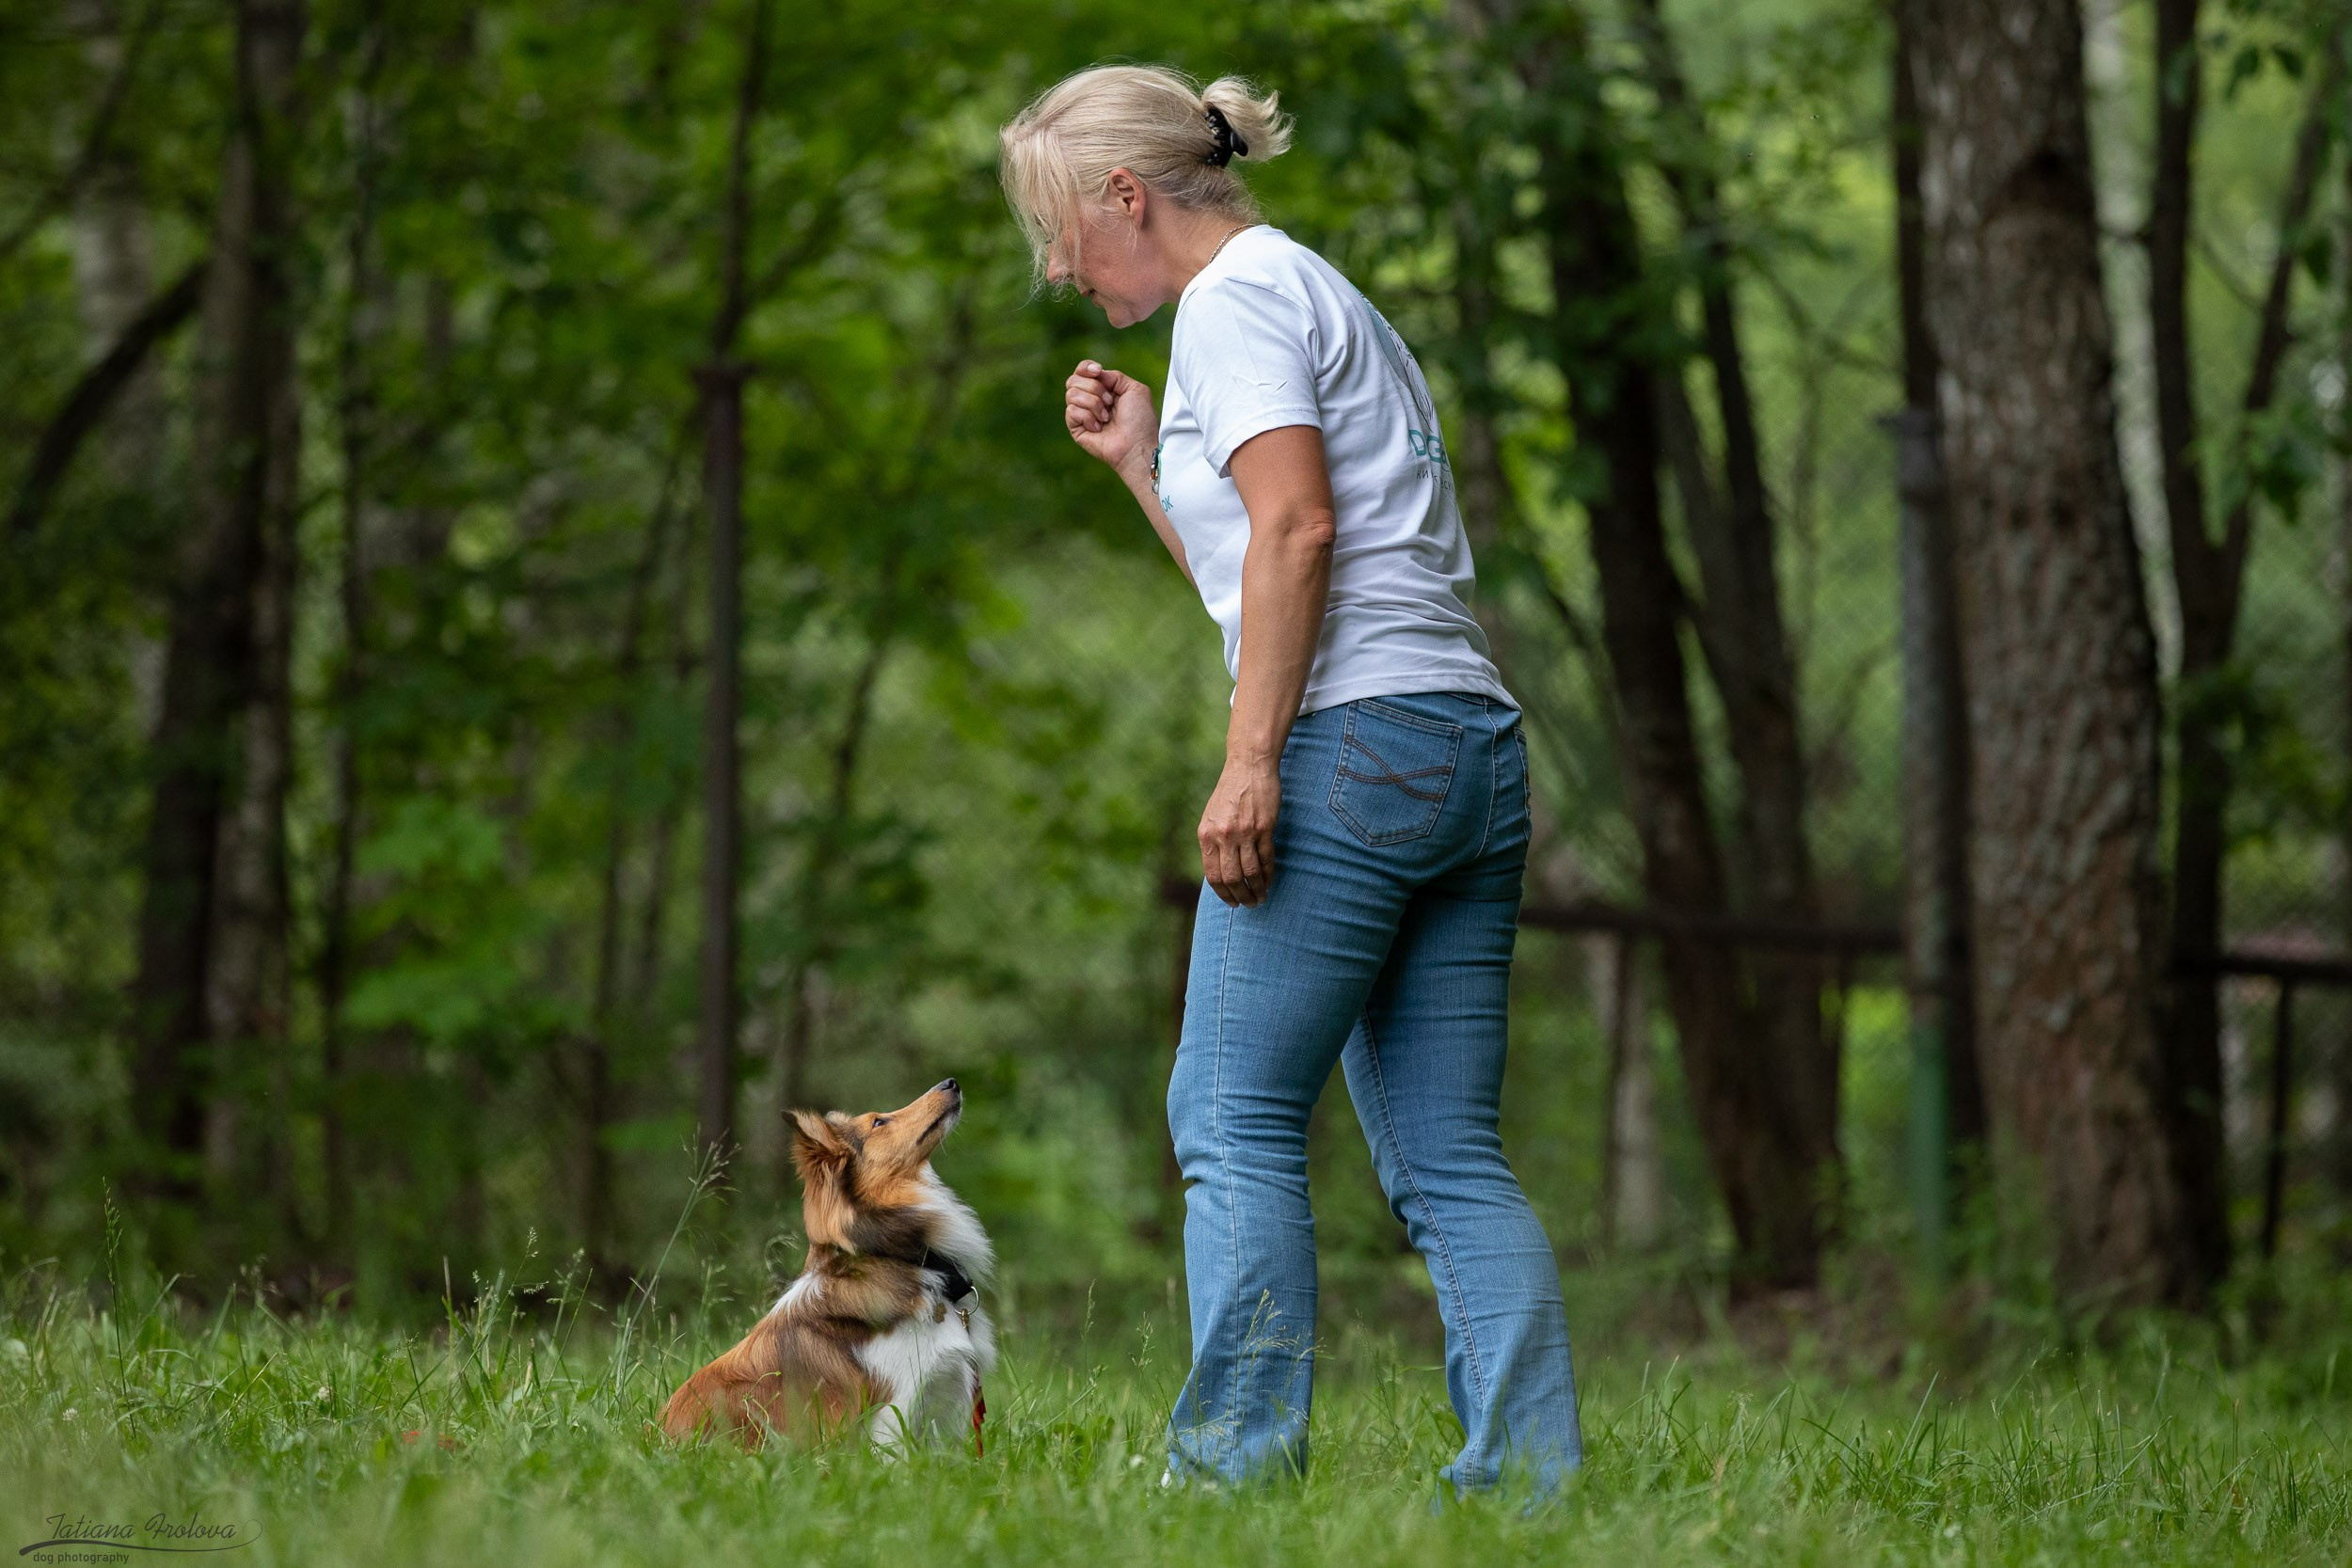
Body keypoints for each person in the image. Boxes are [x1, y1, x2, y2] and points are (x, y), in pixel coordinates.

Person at [998, 64, 1581, 1495]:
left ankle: (1231, 1477)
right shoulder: (1314, 289)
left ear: (1124, 195)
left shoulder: (1235, 303)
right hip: (1466, 746)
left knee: (1232, 1116)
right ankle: (1529, 1489)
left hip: (1354, 746)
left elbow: (1301, 535)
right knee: (1448, 1152)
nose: (1057, 267)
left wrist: (1251, 762)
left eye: (1059, 230)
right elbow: (1257, 568)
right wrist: (1144, 463)